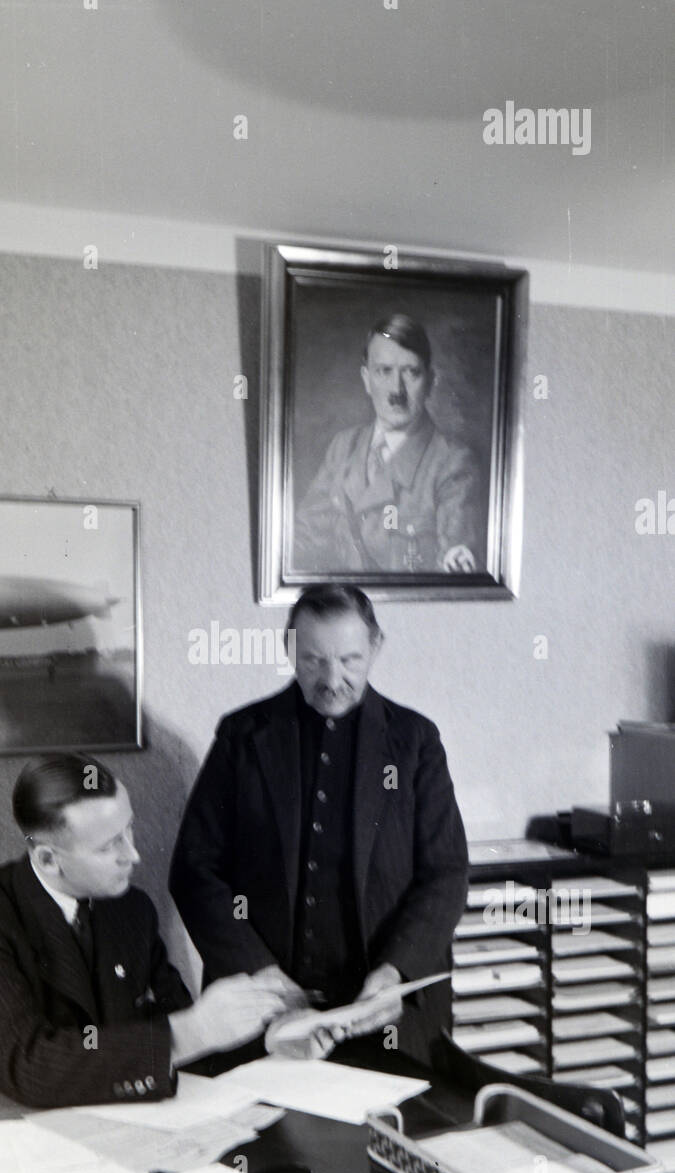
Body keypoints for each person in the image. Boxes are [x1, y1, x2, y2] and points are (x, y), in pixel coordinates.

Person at [169, 584, 468, 1062]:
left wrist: (396, 973)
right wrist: (257, 972)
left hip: (389, 1014)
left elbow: (446, 874)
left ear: (376, 648)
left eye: (350, 660)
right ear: (290, 648)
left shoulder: (415, 742)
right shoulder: (242, 736)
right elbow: (194, 870)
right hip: (264, 1016)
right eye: (312, 660)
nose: (332, 679)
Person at [0, 754, 291, 1108]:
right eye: (109, 845)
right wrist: (191, 1032)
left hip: (104, 1126)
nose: (134, 855)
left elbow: (176, 1021)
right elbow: (31, 1066)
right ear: (48, 859)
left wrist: (275, 1039)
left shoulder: (130, 910)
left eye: (128, 830)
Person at [293, 314, 479, 574]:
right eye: (384, 372)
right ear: (367, 379)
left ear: (430, 381)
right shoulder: (343, 447)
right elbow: (303, 536)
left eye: (411, 373)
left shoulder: (453, 463)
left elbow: (454, 566)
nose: (397, 391)